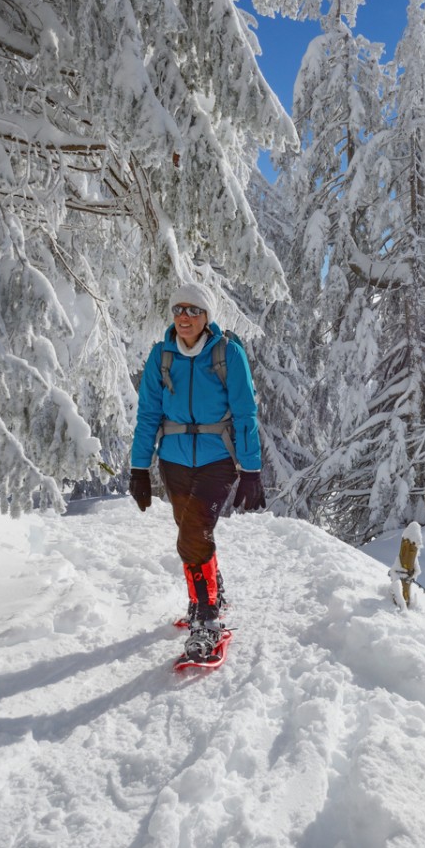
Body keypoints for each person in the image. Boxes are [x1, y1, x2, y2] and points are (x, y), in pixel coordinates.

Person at [128, 282, 266, 661]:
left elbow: (245, 414)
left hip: (217, 460)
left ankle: (206, 620)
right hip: (173, 461)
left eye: (192, 310)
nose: (183, 317)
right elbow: (148, 416)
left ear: (207, 317)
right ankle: (211, 593)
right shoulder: (162, 356)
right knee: (193, 534)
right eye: (177, 310)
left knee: (192, 535)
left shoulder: (227, 354)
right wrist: (139, 467)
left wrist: (251, 470)